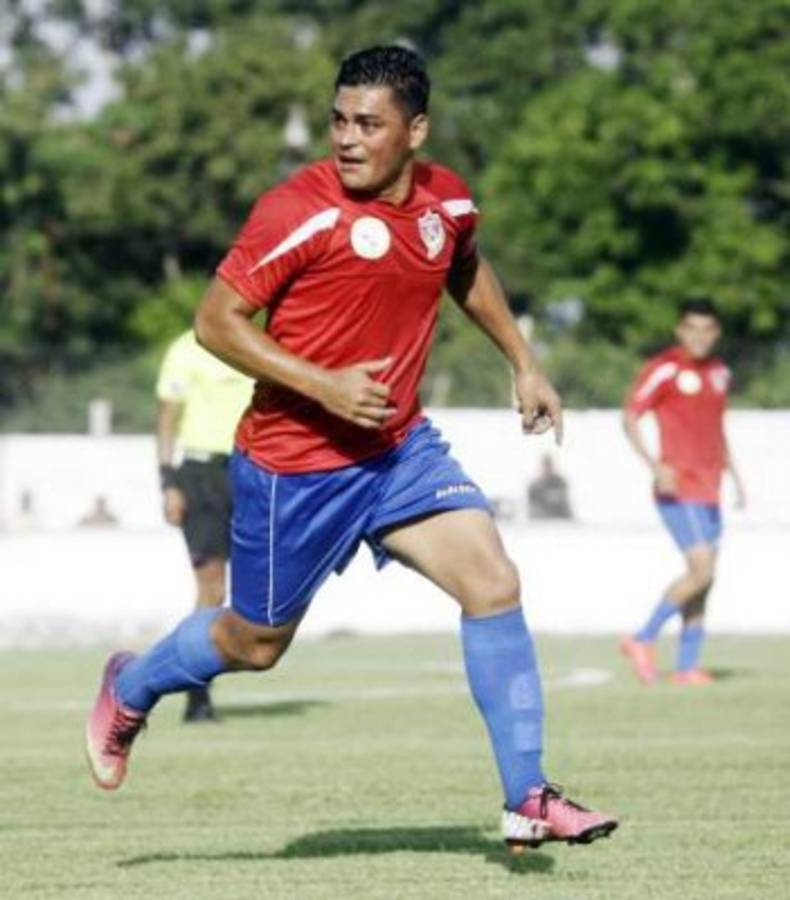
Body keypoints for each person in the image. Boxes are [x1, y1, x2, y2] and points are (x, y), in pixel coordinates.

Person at [86, 45, 617, 851]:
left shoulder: (448, 200)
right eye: (339, 120)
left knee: (493, 582)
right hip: (293, 466)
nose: (347, 138)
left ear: (416, 131)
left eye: (368, 124)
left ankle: (528, 798)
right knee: (254, 644)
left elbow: (464, 267)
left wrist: (524, 361)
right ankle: (131, 685)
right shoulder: (297, 210)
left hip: (398, 452)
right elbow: (214, 323)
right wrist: (323, 384)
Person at [621, 298, 746, 686]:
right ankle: (642, 638)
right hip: (678, 487)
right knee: (701, 570)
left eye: (707, 329)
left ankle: (687, 666)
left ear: (716, 333)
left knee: (705, 580)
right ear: (680, 330)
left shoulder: (720, 373)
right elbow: (630, 417)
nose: (699, 336)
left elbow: (716, 428)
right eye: (691, 328)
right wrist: (655, 465)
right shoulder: (665, 368)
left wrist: (736, 476)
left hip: (710, 489)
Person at [156, 328, 252, 721]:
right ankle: (197, 693)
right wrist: (168, 482)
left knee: (254, 590)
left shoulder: (260, 342)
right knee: (212, 588)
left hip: (253, 471)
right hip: (201, 476)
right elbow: (167, 417)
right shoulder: (185, 348)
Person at [527, 455, 574, 520]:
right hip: (542, 520)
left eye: (549, 466)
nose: (547, 469)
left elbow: (564, 502)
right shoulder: (534, 486)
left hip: (560, 520)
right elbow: (532, 507)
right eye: (545, 466)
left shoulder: (560, 482)